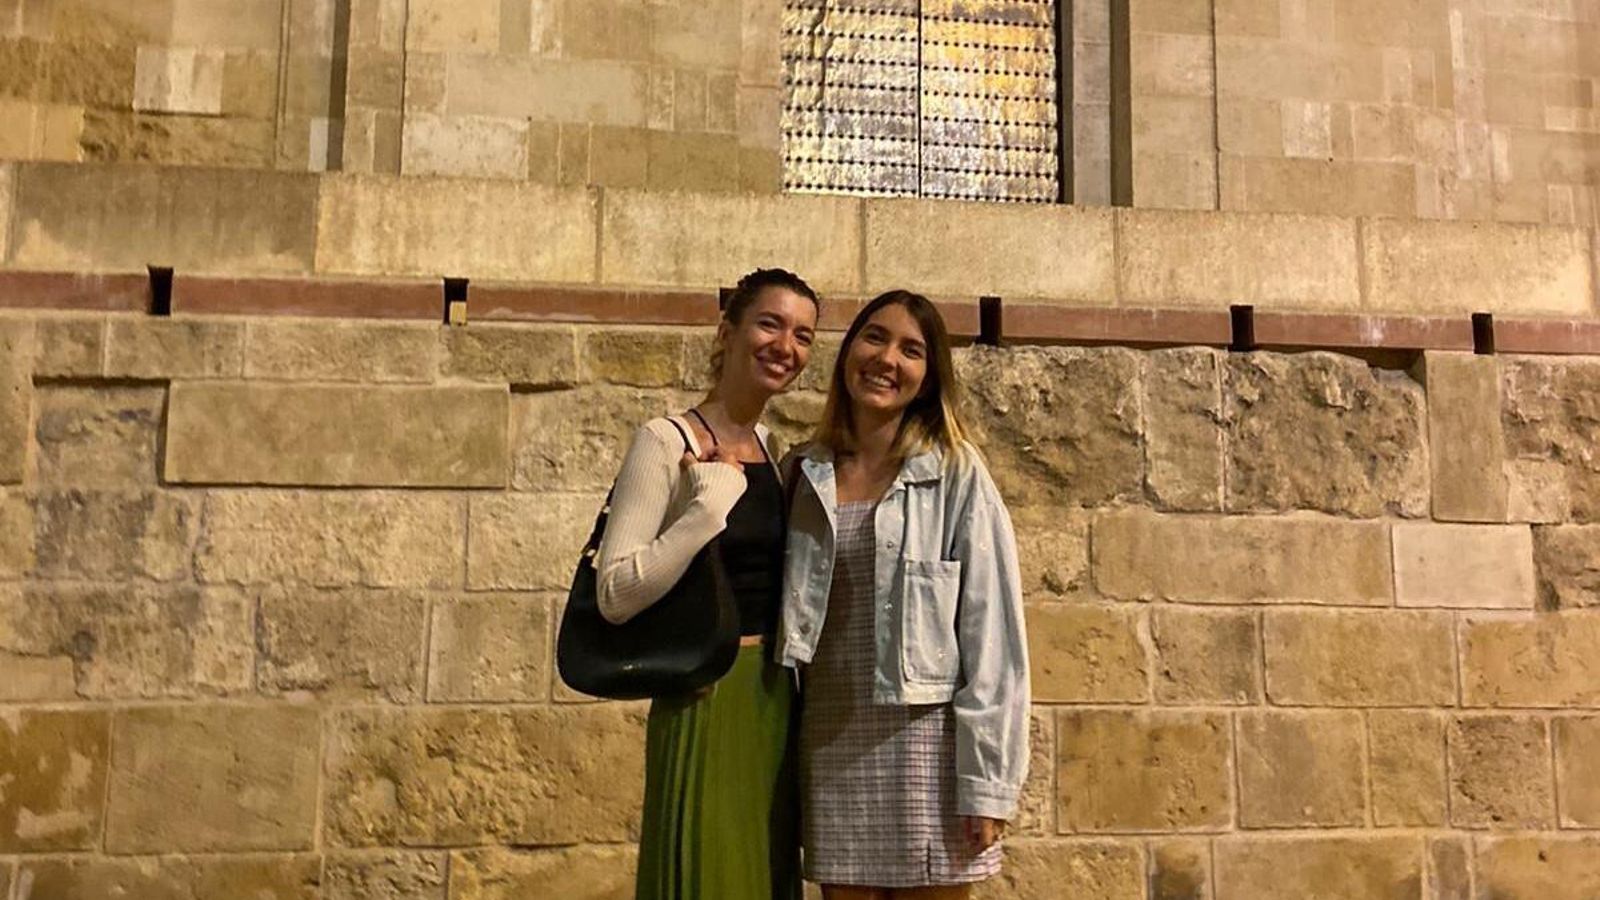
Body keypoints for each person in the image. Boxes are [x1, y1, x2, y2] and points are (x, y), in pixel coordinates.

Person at [779, 290, 1030, 900]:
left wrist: (987, 785)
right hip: (832, 746)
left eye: (910, 349)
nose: (887, 358)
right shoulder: (801, 473)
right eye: (874, 337)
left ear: (928, 376)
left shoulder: (955, 472)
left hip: (928, 756)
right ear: (847, 353)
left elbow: (992, 636)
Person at [596, 268, 819, 900]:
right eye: (770, 324)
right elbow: (614, 594)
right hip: (704, 693)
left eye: (803, 335)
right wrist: (703, 513)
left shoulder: (777, 452)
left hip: (775, 697)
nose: (786, 346)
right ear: (729, 332)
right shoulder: (664, 441)